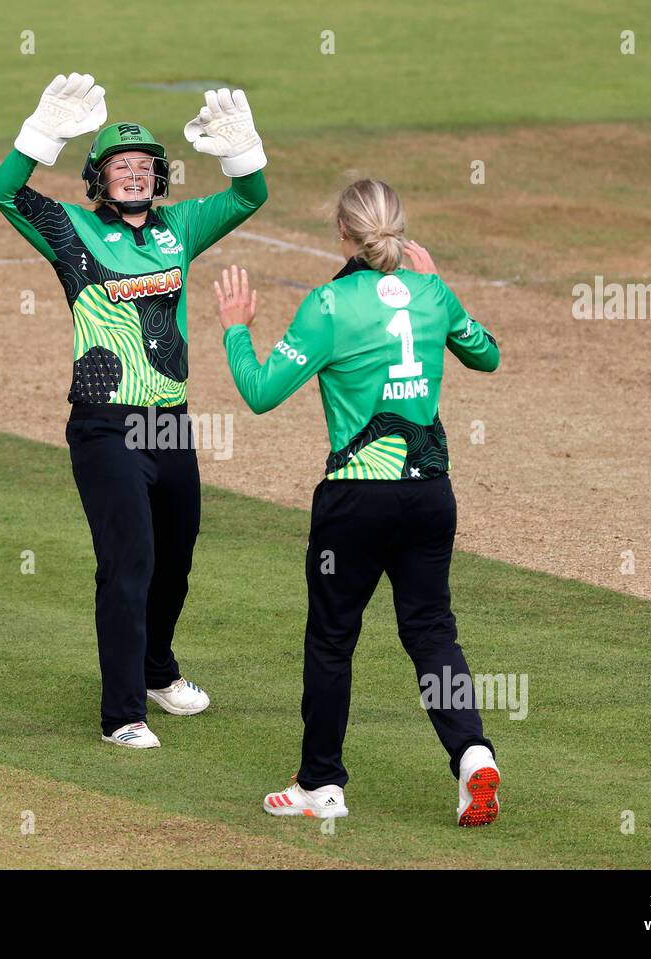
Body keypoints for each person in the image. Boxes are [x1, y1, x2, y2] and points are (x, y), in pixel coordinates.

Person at [0, 74, 269, 749]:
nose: (135, 176)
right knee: (129, 560)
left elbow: (251, 195)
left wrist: (242, 150)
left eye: (145, 167)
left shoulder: (181, 228)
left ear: (159, 177)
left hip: (169, 421)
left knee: (176, 558)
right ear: (100, 179)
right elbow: (4, 191)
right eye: (121, 167)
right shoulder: (72, 231)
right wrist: (42, 131)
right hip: (104, 423)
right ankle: (122, 713)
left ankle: (157, 671)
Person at [211, 179, 503, 825]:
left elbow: (260, 391)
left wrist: (235, 331)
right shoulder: (431, 293)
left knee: (333, 639)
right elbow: (487, 354)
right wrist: (441, 287)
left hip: (356, 500)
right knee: (431, 631)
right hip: (430, 493)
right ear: (400, 229)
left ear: (342, 233)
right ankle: (473, 754)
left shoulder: (328, 304)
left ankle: (321, 784)